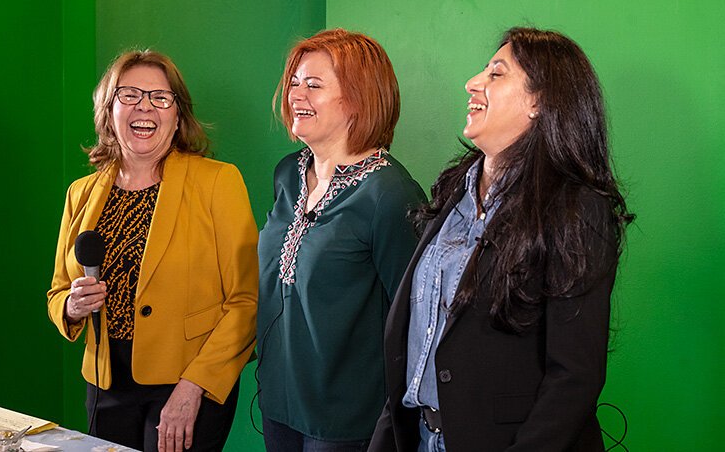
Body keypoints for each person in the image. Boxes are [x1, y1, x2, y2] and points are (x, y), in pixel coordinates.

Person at [369, 27, 634, 452]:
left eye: (496, 74)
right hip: (421, 437)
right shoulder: (455, 189)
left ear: (539, 101)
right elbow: (421, 340)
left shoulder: (577, 207)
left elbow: (574, 376)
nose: (473, 83)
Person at [47, 50, 258, 452]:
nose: (145, 106)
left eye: (160, 97)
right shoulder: (81, 193)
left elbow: (245, 303)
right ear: (109, 110)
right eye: (130, 95)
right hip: (105, 383)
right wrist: (73, 307)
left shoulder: (218, 182)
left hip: (188, 385)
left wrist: (193, 388)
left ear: (178, 116)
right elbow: (58, 292)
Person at [257, 28, 426, 451]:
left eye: (313, 85)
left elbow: (415, 320)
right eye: (294, 82)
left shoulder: (390, 195)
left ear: (358, 98)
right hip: (278, 403)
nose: (297, 94)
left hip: (348, 423)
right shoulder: (286, 174)